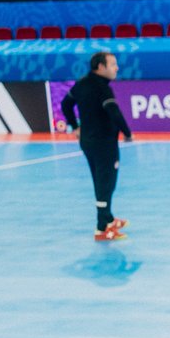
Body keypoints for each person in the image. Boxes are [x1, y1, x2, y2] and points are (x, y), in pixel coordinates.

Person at [60, 51, 132, 241]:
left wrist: (75, 126)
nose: (116, 68)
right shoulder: (102, 88)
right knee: (106, 183)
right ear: (101, 67)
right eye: (113, 64)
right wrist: (127, 132)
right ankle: (102, 229)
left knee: (100, 180)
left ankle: (108, 218)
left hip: (88, 142)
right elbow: (113, 111)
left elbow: (65, 104)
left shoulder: (81, 83)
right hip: (104, 143)